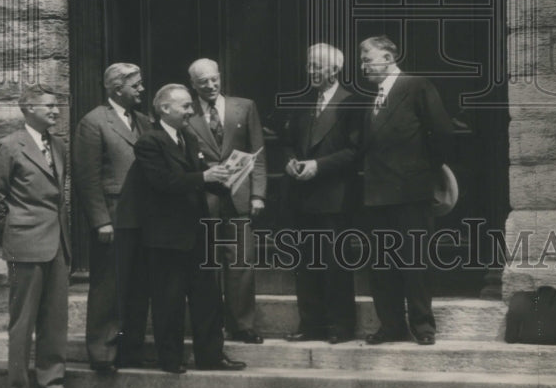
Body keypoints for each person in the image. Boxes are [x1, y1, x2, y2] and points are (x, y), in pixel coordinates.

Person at [133, 84, 246, 374]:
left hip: (197, 230)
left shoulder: (188, 137)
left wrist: (225, 179)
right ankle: (170, 359)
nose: (190, 111)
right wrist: (203, 175)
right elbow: (164, 182)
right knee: (168, 300)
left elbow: (194, 178)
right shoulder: (149, 142)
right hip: (166, 236)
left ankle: (211, 356)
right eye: (184, 106)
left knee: (207, 298)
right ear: (164, 109)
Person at [0, 86, 80, 388]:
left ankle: (51, 384)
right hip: (24, 244)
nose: (56, 111)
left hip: (57, 244)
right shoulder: (9, 147)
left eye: (57, 106)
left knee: (55, 319)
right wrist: (10, 237)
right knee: (22, 319)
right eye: (49, 106)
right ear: (27, 108)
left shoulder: (59, 146)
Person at [359, 35, 454, 346]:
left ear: (388, 58)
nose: (363, 67)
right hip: (376, 194)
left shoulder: (416, 86)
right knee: (381, 265)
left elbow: (441, 132)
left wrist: (423, 172)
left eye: (367, 60)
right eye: (361, 61)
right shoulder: (371, 97)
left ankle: (423, 327)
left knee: (415, 262)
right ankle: (391, 325)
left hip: (411, 192)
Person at [73, 63, 152, 373]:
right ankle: (103, 353)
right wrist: (99, 220)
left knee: (137, 285)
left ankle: (131, 349)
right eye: (136, 85)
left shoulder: (144, 122)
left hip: (143, 218)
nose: (142, 90)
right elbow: (87, 177)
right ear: (117, 89)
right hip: (113, 218)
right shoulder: (93, 122)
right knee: (108, 286)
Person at [282, 43, 359, 343]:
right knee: (306, 264)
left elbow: (355, 151)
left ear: (335, 69)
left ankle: (341, 327)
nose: (311, 71)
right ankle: (311, 325)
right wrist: (289, 163)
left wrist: (319, 165)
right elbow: (289, 142)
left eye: (317, 66)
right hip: (301, 197)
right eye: (309, 65)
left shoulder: (351, 103)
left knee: (335, 264)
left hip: (334, 198)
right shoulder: (303, 103)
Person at [187, 57, 266, 344]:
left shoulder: (244, 107)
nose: (210, 85)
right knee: (208, 265)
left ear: (220, 77)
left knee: (241, 263)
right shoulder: (188, 112)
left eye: (213, 79)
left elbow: (257, 154)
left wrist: (258, 194)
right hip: (203, 200)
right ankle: (212, 324)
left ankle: (242, 325)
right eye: (202, 82)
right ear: (193, 85)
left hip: (240, 198)